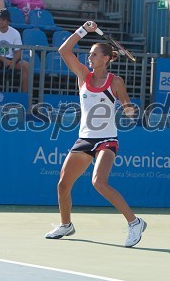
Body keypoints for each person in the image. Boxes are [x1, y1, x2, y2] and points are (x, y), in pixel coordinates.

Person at [45, 21, 146, 248]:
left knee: (99, 182)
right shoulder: (83, 75)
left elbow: (127, 105)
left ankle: (135, 222)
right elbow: (63, 50)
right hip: (84, 139)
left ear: (106, 58)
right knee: (63, 185)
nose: (89, 58)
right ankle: (66, 225)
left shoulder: (116, 82)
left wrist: (130, 110)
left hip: (107, 140)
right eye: (89, 54)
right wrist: (82, 30)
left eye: (93, 54)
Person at [0, 8, 29, 92]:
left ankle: (25, 95)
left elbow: (18, 51)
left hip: (10, 59)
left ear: (8, 21)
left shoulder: (15, 32)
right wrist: (4, 60)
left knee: (26, 66)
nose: (0, 21)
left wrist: (13, 62)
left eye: (2, 20)